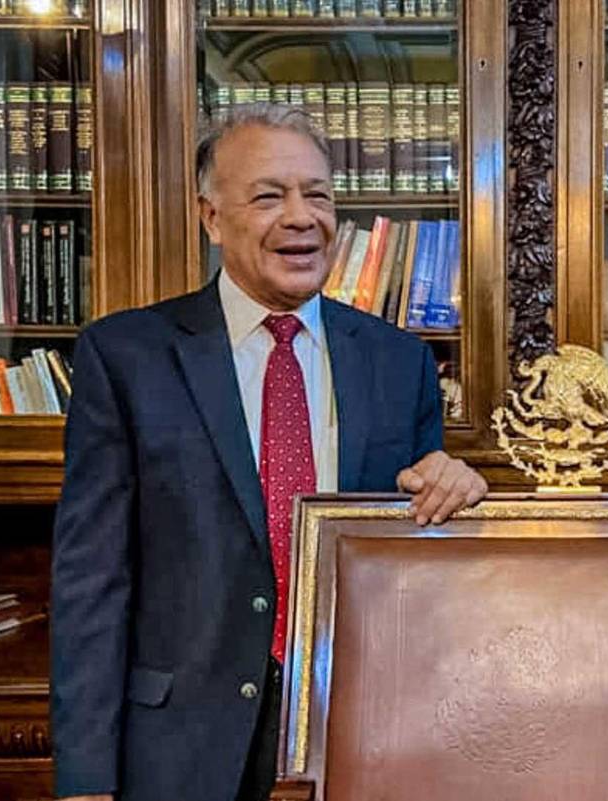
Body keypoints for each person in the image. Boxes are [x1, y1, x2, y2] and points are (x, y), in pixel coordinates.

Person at [51, 104, 487, 801]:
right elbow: (91, 582)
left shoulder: (398, 361)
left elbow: (415, 552)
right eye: (268, 196)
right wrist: (85, 780)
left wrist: (455, 490)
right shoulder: (127, 356)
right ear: (211, 217)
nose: (301, 217)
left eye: (318, 195)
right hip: (181, 747)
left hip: (357, 736)